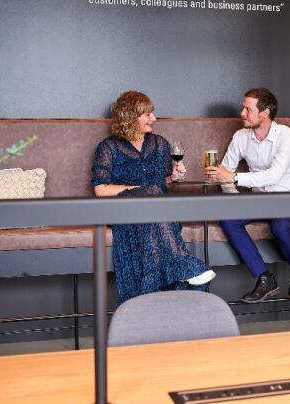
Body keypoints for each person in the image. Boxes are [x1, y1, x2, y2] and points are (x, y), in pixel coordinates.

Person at [91, 91, 214, 305]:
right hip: (125, 212)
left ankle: (172, 283)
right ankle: (184, 266)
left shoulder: (159, 144)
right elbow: (100, 189)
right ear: (130, 116)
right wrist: (141, 189)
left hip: (158, 212)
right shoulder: (108, 147)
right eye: (147, 114)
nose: (154, 118)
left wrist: (174, 176)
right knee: (152, 192)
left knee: (155, 195)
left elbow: (163, 182)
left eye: (152, 113)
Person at [206, 88, 290, 303]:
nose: (242, 113)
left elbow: (274, 175)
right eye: (243, 108)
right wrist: (232, 195)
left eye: (248, 109)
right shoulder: (241, 136)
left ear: (265, 113)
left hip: (287, 200)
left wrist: (234, 178)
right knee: (228, 219)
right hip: (257, 201)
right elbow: (226, 172)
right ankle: (264, 278)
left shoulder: (286, 135)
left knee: (280, 227)